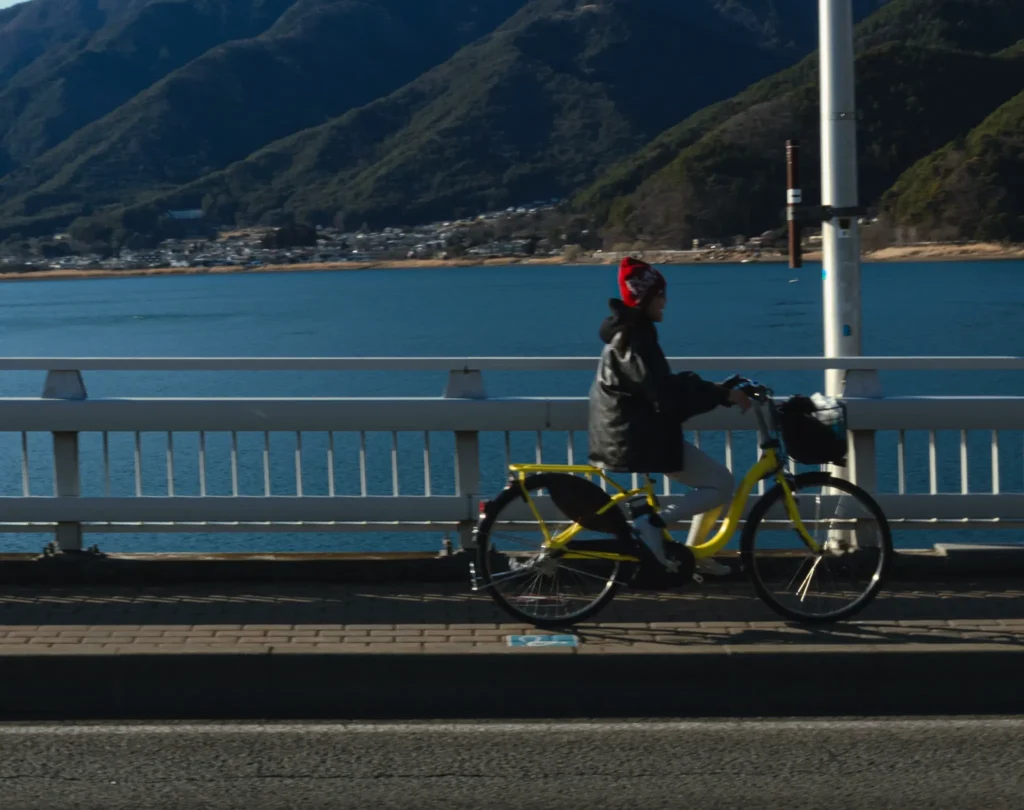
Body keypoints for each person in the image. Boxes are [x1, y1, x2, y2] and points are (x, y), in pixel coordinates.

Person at [588, 256, 751, 575]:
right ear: (645, 297)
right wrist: (720, 395)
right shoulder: (635, 339)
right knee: (720, 483)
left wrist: (715, 390)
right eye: (660, 295)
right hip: (636, 437)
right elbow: (664, 395)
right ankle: (654, 523)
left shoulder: (631, 333)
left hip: (632, 432)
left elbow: (663, 384)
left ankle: (692, 555)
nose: (666, 301)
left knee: (714, 482)